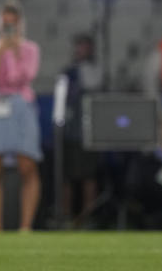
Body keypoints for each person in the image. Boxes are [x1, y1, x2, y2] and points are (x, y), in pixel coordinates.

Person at [0, 0, 42, 233]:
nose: (9, 28)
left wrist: (14, 52)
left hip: (21, 104)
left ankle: (26, 225)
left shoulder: (30, 49)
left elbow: (25, 76)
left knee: (27, 166)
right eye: (5, 24)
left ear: (21, 24)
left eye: (13, 24)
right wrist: (0, 52)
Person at [61, 34, 103, 224]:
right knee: (68, 178)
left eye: (84, 47)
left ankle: (88, 216)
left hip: (90, 132)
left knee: (89, 176)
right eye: (79, 47)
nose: (81, 51)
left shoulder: (95, 71)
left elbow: (93, 86)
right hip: (71, 132)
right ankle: (67, 216)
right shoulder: (67, 73)